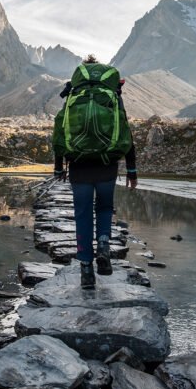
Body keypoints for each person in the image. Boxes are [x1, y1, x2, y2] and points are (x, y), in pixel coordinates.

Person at [53, 54, 137, 289]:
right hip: (106, 165)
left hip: (79, 166)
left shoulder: (73, 95)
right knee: (104, 208)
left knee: (82, 215)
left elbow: (60, 132)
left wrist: (58, 167)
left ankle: (86, 272)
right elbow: (126, 134)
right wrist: (132, 170)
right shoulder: (112, 97)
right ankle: (103, 245)